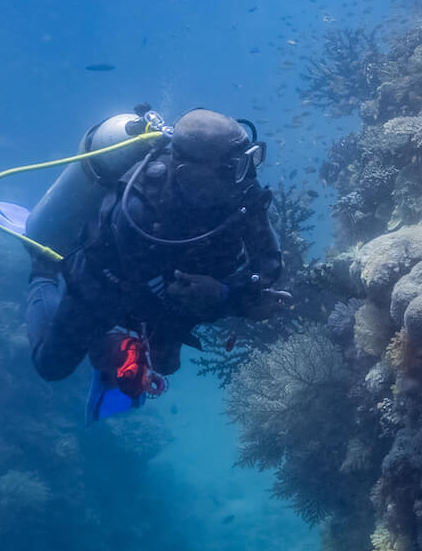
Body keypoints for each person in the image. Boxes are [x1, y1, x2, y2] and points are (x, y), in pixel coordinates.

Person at [23, 108, 288, 404]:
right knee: (51, 366)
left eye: (251, 158)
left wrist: (228, 292)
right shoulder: (139, 214)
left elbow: (269, 258)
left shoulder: (240, 188)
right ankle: (43, 270)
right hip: (104, 283)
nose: (249, 174)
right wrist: (232, 302)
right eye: (233, 167)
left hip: (166, 284)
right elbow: (152, 304)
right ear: (189, 175)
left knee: (165, 364)